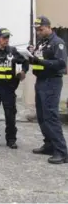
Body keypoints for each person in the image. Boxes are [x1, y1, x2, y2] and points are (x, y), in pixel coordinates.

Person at [29, 16, 67, 164]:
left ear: (48, 27)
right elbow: (39, 58)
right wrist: (31, 55)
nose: (38, 32)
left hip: (52, 82)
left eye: (41, 29)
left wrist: (41, 61)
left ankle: (62, 152)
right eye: (37, 30)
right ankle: (49, 144)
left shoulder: (58, 43)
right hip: (41, 80)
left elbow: (61, 63)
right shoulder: (42, 42)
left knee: (51, 116)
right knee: (42, 116)